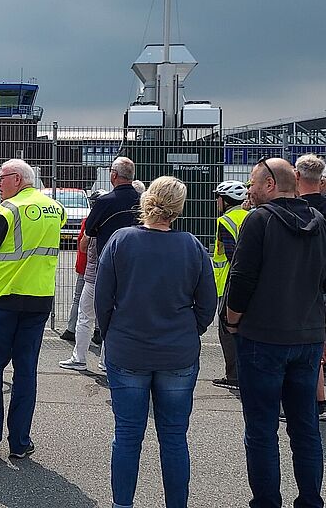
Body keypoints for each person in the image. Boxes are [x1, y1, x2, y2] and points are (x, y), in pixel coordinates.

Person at [94, 176, 217, 508]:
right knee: (174, 438)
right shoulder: (192, 245)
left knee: (127, 437)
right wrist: (190, 330)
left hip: (128, 348)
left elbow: (102, 299)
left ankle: (123, 504)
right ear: (178, 208)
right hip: (177, 352)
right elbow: (207, 303)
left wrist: (112, 334)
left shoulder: (121, 240)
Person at [226, 157, 326, 508]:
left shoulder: (259, 220)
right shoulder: (319, 222)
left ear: (270, 184)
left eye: (253, 183)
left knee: (261, 430)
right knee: (305, 428)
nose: (249, 190)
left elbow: (241, 279)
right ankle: (311, 501)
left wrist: (232, 320)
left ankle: (267, 502)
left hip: (263, 339)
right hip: (308, 339)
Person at [0, 159, 64, 459]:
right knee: (26, 370)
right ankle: (20, 442)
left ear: (17, 179)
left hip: (5, 298)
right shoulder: (55, 208)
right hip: (39, 299)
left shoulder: (8, 210)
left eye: (1, 178)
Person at [60, 189, 109, 372]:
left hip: (89, 272)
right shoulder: (110, 222)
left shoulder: (90, 221)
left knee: (83, 310)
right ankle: (104, 360)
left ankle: (78, 353)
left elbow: (82, 245)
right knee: (106, 315)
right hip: (99, 272)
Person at [210, 180, 249, 390]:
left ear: (226, 201)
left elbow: (232, 253)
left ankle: (233, 376)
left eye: (219, 197)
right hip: (251, 280)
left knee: (227, 329)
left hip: (228, 282)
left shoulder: (225, 221)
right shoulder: (250, 215)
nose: (217, 200)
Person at [296, 154, 326, 417]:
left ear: (297, 177)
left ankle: (317, 400)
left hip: (308, 288)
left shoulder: (298, 212)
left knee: (311, 346)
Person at [85, 156, 140, 254]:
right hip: (136, 256)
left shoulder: (104, 202)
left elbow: (89, 228)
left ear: (114, 175)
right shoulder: (143, 201)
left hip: (110, 256)